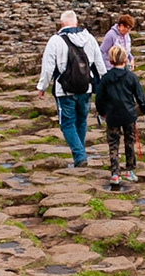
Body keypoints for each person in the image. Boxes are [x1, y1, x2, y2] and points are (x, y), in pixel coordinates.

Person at [36, 10, 105, 167]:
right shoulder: (90, 38)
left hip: (64, 90)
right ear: (76, 22)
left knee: (67, 123)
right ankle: (80, 155)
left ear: (62, 24)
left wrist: (42, 87)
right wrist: (105, 84)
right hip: (85, 88)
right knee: (81, 121)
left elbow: (47, 67)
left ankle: (80, 156)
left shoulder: (55, 40)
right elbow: (99, 64)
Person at [94, 45, 145, 186]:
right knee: (129, 142)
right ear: (125, 59)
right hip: (129, 115)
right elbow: (140, 96)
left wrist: (102, 112)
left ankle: (115, 173)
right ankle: (129, 170)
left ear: (110, 61)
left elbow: (99, 98)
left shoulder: (106, 78)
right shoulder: (131, 77)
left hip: (112, 115)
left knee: (113, 144)